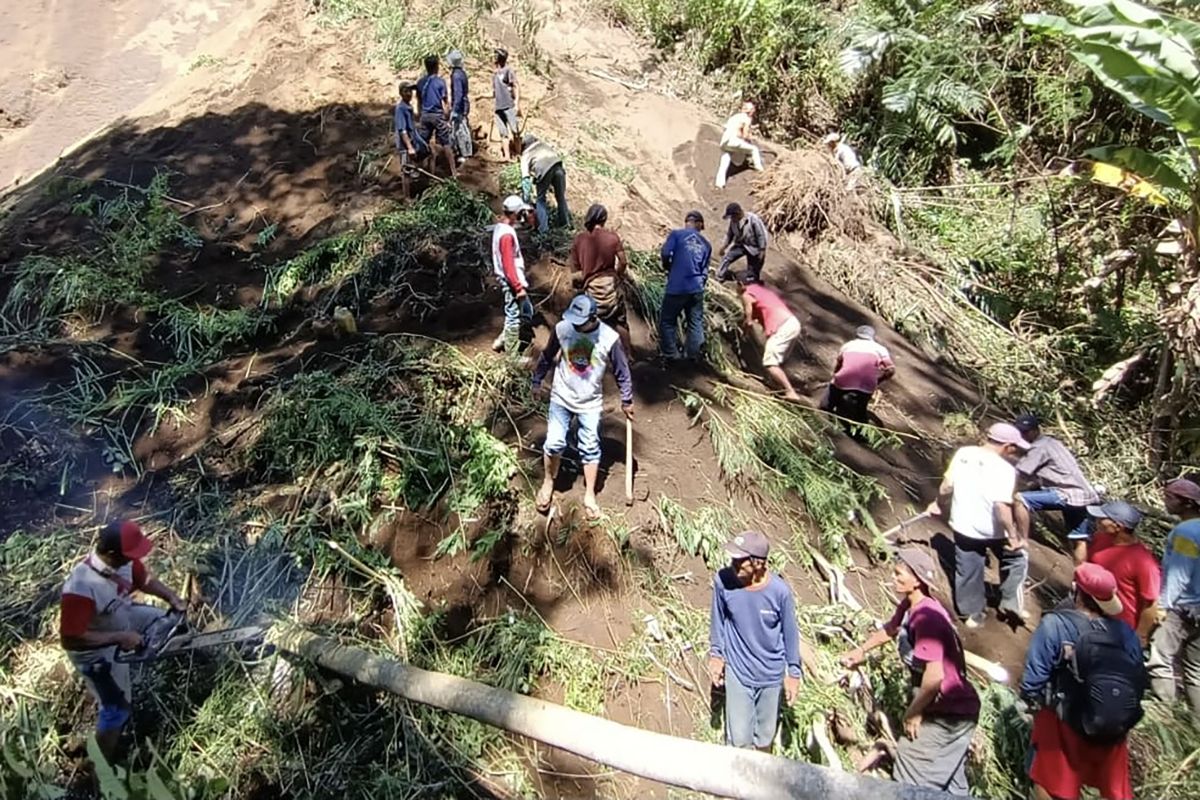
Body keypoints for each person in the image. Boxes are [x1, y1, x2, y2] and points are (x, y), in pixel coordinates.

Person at [840, 548, 979, 796]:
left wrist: (913, 712)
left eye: (899, 574)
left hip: (949, 712)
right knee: (951, 784)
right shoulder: (911, 605)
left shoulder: (927, 618)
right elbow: (891, 629)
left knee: (910, 775)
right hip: (956, 709)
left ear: (917, 580)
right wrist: (861, 650)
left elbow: (935, 677)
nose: (893, 578)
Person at [60, 521, 187, 761]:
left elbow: (145, 579)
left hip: (122, 617)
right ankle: (101, 770)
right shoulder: (80, 588)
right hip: (95, 651)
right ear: (110, 553)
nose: (132, 560)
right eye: (129, 556)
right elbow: (71, 639)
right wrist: (120, 638)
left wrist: (172, 598)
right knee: (117, 710)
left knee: (168, 623)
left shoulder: (125, 562)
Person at [1020, 563, 1145, 800]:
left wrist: (1028, 704)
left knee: (1046, 777)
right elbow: (1138, 675)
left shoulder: (1055, 624)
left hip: (1062, 722)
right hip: (1111, 723)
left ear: (1078, 593)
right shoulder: (1126, 634)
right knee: (1111, 786)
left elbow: (1034, 679)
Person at [531, 294, 634, 520]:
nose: (575, 325)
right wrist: (537, 380)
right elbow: (548, 356)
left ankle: (589, 495)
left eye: (580, 321)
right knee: (554, 442)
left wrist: (626, 400)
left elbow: (622, 371)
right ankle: (548, 482)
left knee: (590, 447)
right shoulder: (563, 329)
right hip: (561, 396)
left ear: (593, 317)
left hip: (590, 403)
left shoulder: (609, 338)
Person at [928, 422, 1031, 628]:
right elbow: (1001, 506)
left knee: (968, 569)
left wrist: (937, 503)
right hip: (993, 529)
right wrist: (1013, 535)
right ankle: (1011, 602)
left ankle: (972, 615)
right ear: (1007, 446)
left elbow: (947, 485)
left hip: (964, 523)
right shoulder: (1005, 469)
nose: (1016, 451)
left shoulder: (964, 454)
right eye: (1015, 447)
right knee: (1017, 558)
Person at [708, 530, 801, 751]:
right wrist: (716, 654)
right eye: (733, 559)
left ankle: (759, 780)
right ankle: (734, 784)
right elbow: (718, 619)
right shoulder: (723, 582)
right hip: (738, 672)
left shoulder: (779, 592)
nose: (734, 565)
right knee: (739, 739)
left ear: (759, 564)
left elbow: (790, 633)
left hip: (770, 674)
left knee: (764, 738)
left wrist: (794, 673)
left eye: (741, 561)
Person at [1012, 414, 1100, 565]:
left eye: (1025, 432)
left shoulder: (1039, 448)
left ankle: (1022, 539)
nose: (1023, 436)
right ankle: (1080, 577)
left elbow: (1021, 472)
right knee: (1080, 539)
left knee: (1019, 499)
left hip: (1067, 494)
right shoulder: (1052, 442)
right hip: (1084, 495)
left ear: (1035, 431)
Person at [1149, 478, 1200, 725]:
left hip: (1182, 608)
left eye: (1170, 497)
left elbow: (1180, 574)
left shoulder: (1185, 533)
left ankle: (1165, 717)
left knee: (1159, 657)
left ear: (1186, 502)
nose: (1165, 501)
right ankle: (1196, 725)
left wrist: (1163, 605)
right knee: (1196, 671)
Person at [1086, 500, 1160, 645]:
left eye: (1102, 518)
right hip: (1089, 612)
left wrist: (1140, 637)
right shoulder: (1100, 538)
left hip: (1119, 628)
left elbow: (1150, 604)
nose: (1097, 521)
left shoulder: (1144, 562)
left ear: (1117, 526)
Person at [570, 204, 630, 357]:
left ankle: (584, 356)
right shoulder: (612, 238)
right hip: (611, 287)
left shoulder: (579, 240)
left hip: (592, 288)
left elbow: (575, 271)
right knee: (620, 321)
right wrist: (618, 275)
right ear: (604, 219)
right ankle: (628, 355)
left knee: (587, 323)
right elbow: (623, 262)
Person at [737, 273, 802, 401]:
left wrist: (744, 331)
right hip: (792, 323)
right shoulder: (762, 292)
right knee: (776, 359)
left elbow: (749, 320)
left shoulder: (747, 293)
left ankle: (790, 392)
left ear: (740, 285)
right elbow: (758, 314)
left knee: (770, 362)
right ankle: (776, 384)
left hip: (782, 326)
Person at [659, 210, 713, 363]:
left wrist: (668, 267)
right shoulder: (706, 245)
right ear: (700, 224)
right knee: (695, 322)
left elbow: (665, 252)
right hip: (696, 288)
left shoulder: (676, 235)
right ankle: (693, 356)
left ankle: (672, 355)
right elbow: (704, 271)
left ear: (687, 222)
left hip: (677, 286)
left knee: (668, 321)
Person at [820, 325, 895, 426]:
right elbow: (890, 370)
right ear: (872, 337)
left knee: (826, 403)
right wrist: (878, 381)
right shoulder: (881, 349)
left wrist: (835, 376)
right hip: (867, 386)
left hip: (844, 380)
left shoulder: (848, 346)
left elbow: (839, 365)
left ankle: (828, 408)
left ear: (856, 335)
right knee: (860, 408)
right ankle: (860, 423)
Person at [490, 195, 535, 354]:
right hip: (511, 280)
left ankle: (502, 340)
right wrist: (518, 288)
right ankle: (512, 355)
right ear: (516, 213)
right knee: (513, 316)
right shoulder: (507, 236)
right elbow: (509, 265)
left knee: (527, 310)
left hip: (510, 279)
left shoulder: (500, 228)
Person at [415, 54, 457, 179]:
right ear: (436, 67)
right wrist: (448, 118)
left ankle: (419, 169)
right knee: (446, 144)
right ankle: (454, 172)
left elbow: (419, 101)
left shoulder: (420, 82)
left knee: (423, 143)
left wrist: (420, 115)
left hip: (425, 115)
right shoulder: (440, 82)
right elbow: (446, 103)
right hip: (437, 116)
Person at [520, 134, 569, 233]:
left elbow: (525, 179)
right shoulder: (544, 145)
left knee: (540, 200)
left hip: (544, 170)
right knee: (560, 198)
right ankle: (565, 224)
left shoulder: (526, 155)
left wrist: (526, 200)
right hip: (558, 167)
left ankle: (543, 229)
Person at [715, 101, 764, 189]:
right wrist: (751, 137)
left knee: (725, 160)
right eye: (753, 109)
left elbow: (730, 128)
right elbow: (745, 135)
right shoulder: (747, 119)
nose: (754, 111)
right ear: (750, 111)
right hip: (734, 141)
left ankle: (719, 184)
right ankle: (761, 171)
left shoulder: (734, 117)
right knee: (754, 150)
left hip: (724, 141)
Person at [716, 203, 768, 283]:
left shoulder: (753, 219)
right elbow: (729, 235)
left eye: (733, 217)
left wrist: (762, 250)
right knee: (727, 258)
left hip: (754, 247)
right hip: (741, 244)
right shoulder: (733, 222)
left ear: (738, 213)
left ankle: (753, 283)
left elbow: (760, 235)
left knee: (753, 271)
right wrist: (724, 246)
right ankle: (720, 275)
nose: (732, 219)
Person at [393, 82, 429, 198]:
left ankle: (422, 185)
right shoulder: (401, 109)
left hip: (413, 142)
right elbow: (402, 130)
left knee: (426, 155)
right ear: (401, 93)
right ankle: (407, 197)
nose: (409, 94)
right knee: (406, 171)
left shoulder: (408, 107)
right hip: (405, 145)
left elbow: (412, 128)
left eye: (410, 91)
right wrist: (409, 147)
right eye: (406, 91)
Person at [492, 48, 520, 160]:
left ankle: (519, 154)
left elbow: (516, 86)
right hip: (498, 107)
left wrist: (516, 103)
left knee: (515, 131)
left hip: (509, 106)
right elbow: (494, 92)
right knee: (503, 133)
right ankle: (507, 156)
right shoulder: (495, 75)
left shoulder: (508, 71)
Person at [446, 49, 473, 162]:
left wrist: (455, 110)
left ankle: (465, 154)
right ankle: (463, 152)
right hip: (464, 104)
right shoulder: (462, 73)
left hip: (460, 106)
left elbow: (458, 94)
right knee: (461, 128)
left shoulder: (456, 75)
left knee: (460, 129)